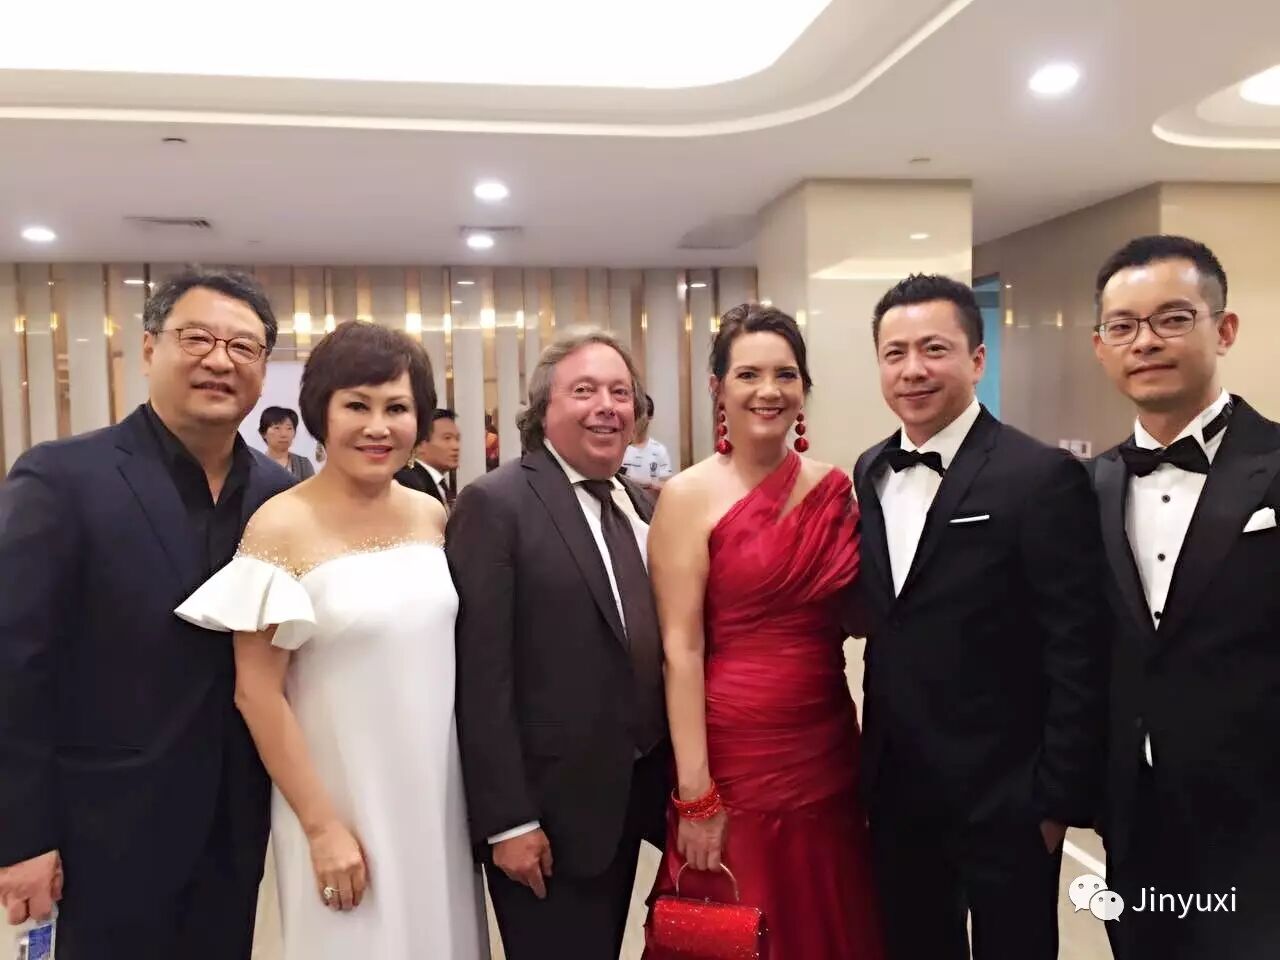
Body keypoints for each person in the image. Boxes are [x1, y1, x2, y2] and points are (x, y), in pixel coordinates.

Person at [0, 268, 294, 958]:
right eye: (198, 338)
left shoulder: (278, 495)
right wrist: (22, 835)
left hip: (234, 822)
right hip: (103, 827)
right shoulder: (62, 478)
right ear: (149, 348)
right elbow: (15, 665)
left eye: (243, 347)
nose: (220, 360)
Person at [174, 321, 484, 959]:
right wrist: (321, 828)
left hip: (436, 792)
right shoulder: (280, 525)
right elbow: (257, 694)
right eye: (357, 406)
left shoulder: (430, 514)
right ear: (321, 413)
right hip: (340, 799)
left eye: (397, 408)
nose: (378, 427)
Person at [853, 274, 1107, 960]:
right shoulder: (871, 470)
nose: (912, 369)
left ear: (976, 359)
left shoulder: (1040, 475)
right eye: (895, 352)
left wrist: (1056, 801)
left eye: (933, 348)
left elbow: (1077, 647)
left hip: (1007, 792)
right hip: (898, 785)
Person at [644, 303, 884, 959]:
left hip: (826, 743)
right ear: (718, 388)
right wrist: (695, 794)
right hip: (735, 756)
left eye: (785, 374)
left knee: (829, 911)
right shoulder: (687, 496)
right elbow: (680, 650)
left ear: (804, 387)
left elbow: (858, 613)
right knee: (738, 920)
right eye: (748, 374)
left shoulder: (836, 489)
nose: (768, 391)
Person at [448, 329, 669, 960]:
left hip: (638, 793)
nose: (607, 407)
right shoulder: (496, 504)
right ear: (544, 408)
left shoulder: (637, 503)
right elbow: (479, 678)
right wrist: (509, 821)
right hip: (550, 813)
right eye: (584, 391)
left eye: (620, 392)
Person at [1088, 235, 1280, 959]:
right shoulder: (1090, 487)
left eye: (1172, 319)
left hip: (1262, 811)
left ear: (1223, 329)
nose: (1145, 342)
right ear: (1101, 346)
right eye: (1123, 326)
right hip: (1134, 814)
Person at [394, 407, 460, 505]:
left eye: (457, 439)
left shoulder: (439, 484)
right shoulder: (408, 484)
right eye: (447, 438)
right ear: (420, 444)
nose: (456, 446)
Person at [622, 394, 674, 494]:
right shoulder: (619, 448)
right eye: (633, 413)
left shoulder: (659, 450)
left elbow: (666, 485)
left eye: (639, 414)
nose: (635, 419)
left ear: (650, 416)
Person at [259, 405, 315, 481]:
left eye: (289, 428)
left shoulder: (303, 464)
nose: (284, 434)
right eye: (277, 428)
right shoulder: (255, 465)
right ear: (263, 433)